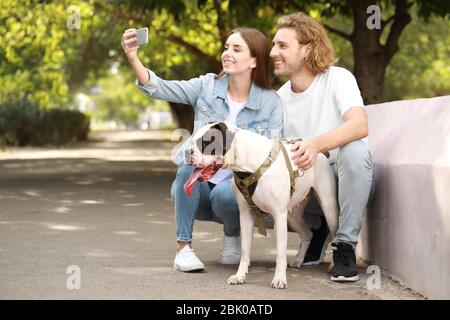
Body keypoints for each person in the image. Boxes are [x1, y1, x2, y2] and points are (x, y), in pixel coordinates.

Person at [121, 27, 283, 272]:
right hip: (201, 190)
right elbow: (160, 87)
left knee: (228, 194)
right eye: (226, 47)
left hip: (239, 191)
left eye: (236, 49)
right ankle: (183, 249)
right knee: (187, 165)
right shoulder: (206, 86)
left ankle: (232, 235)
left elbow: (273, 154)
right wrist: (133, 58)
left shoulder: (271, 102)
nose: (227, 53)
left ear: (253, 61)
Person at [270, 12, 374, 282]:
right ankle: (315, 231)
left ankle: (344, 246)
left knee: (355, 150)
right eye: (273, 45)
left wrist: (316, 145)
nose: (272, 52)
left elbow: (359, 125)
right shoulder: (279, 99)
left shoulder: (338, 78)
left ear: (307, 49)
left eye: (282, 46)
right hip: (306, 193)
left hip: (349, 187)